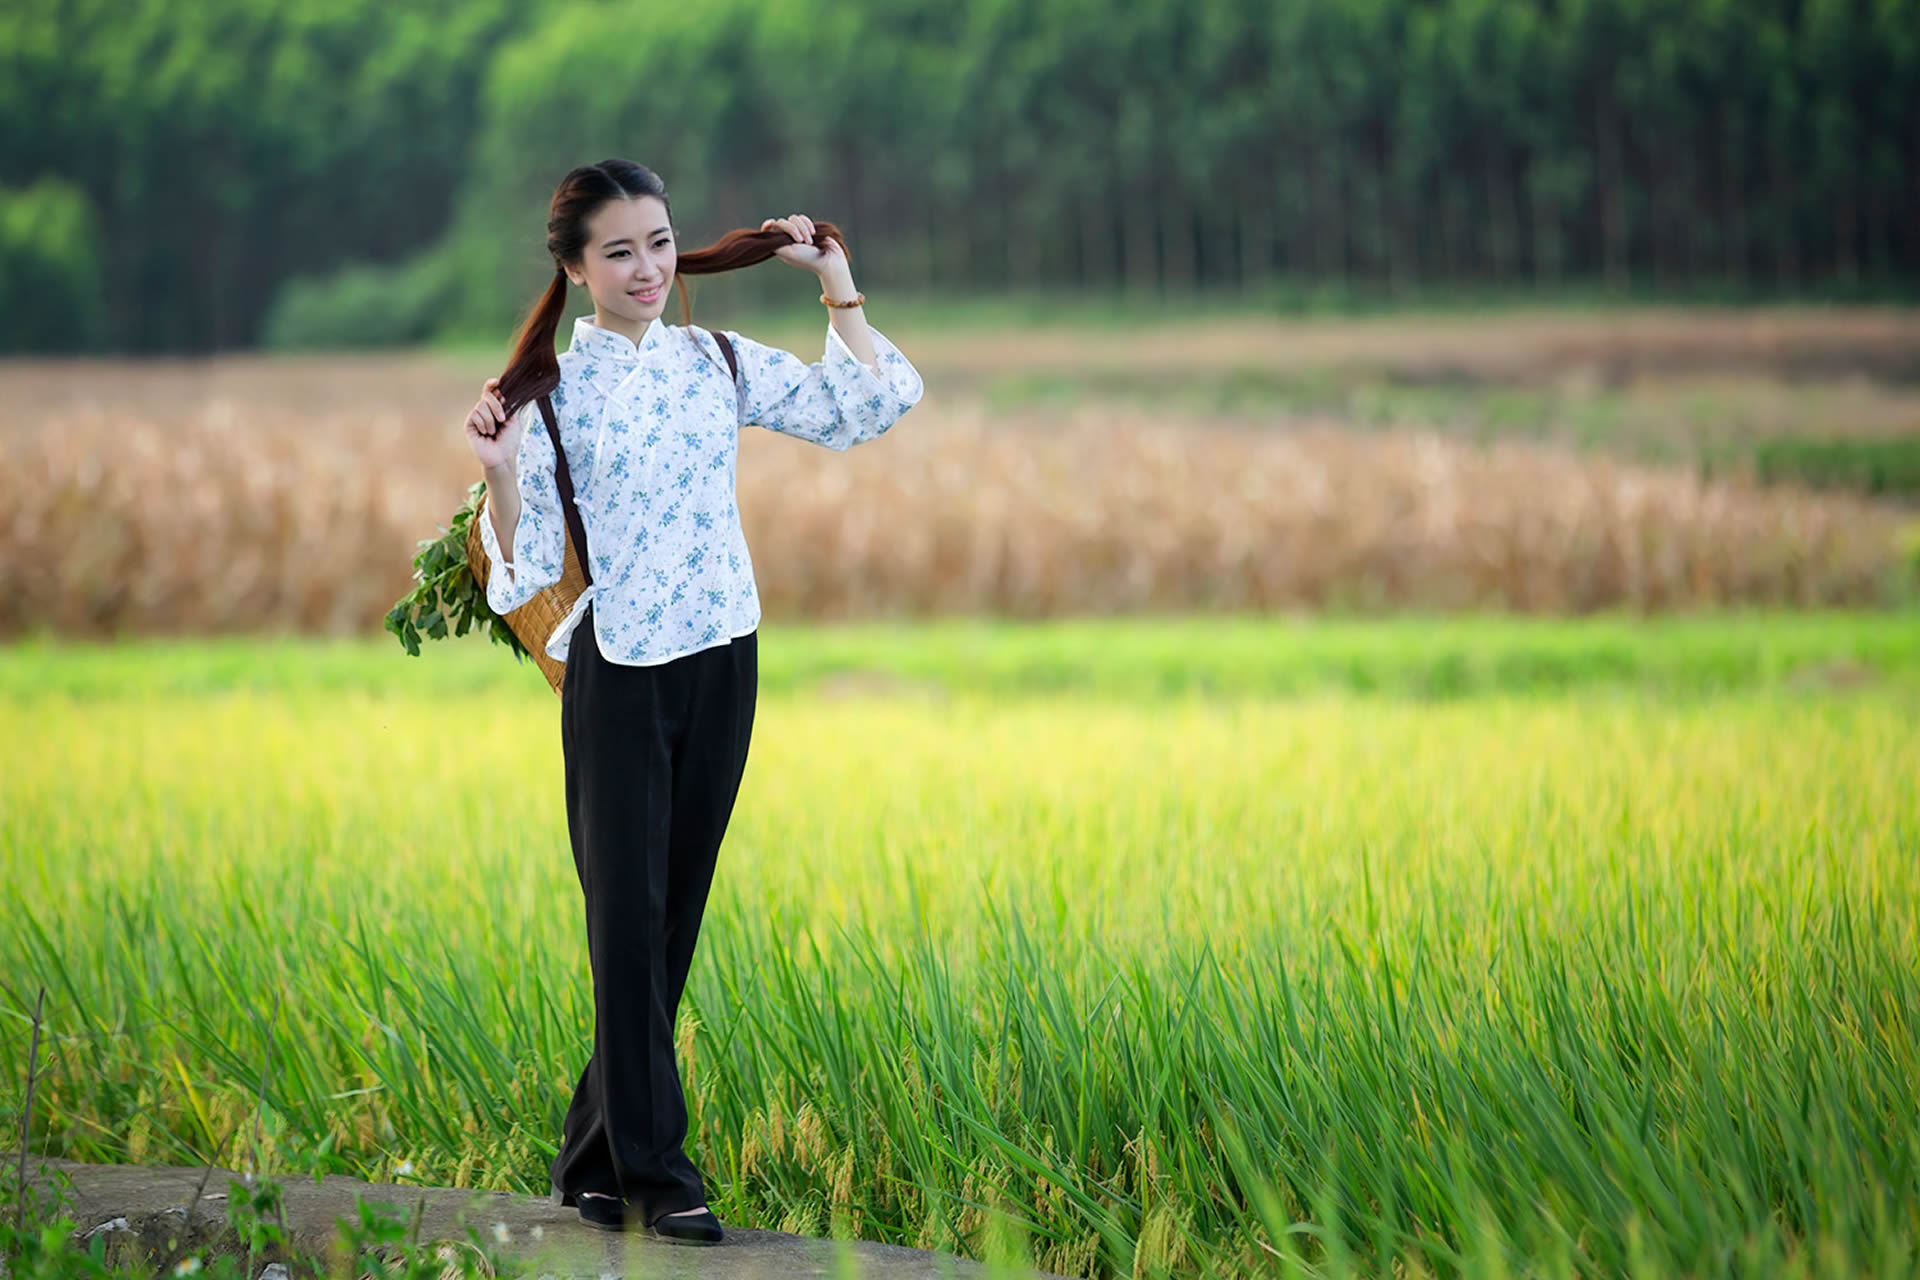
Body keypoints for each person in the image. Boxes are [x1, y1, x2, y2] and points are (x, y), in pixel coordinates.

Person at [462, 159, 924, 1243]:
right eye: (619, 250)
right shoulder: (546, 397)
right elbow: (515, 577)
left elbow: (871, 403)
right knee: (624, 924)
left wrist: (836, 284)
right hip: (618, 673)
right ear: (576, 269)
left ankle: (591, 1155)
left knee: (671, 923)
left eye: (660, 243)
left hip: (725, 655)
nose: (648, 268)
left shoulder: (715, 358)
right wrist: (497, 471)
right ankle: (656, 1175)